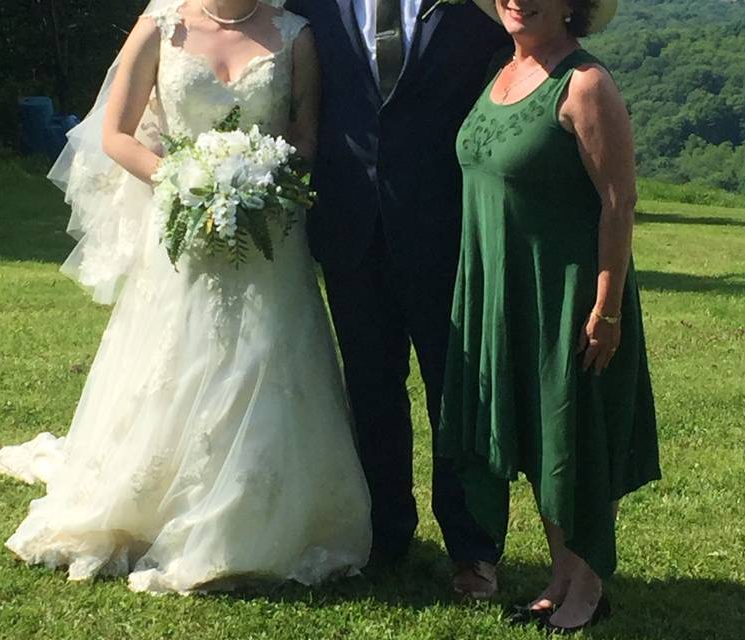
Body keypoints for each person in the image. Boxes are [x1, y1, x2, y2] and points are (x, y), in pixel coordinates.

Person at [0, 0, 372, 595]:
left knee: (267, 363)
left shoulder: (297, 36)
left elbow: (305, 136)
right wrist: (187, 183)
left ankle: (262, 518)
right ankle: (156, 507)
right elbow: (114, 134)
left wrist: (265, 183)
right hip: (182, 230)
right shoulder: (161, 27)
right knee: (177, 360)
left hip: (268, 237)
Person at [437, 0, 662, 631]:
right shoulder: (503, 74)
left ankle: (587, 588)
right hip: (503, 293)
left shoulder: (585, 83)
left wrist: (607, 307)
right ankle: (560, 577)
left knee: (574, 435)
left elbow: (619, 203)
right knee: (541, 437)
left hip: (567, 294)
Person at [283, 0, 511, 597]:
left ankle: (473, 549)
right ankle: (384, 534)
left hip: (450, 231)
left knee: (458, 394)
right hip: (349, 228)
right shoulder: (308, 7)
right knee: (370, 390)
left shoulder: (478, 8)